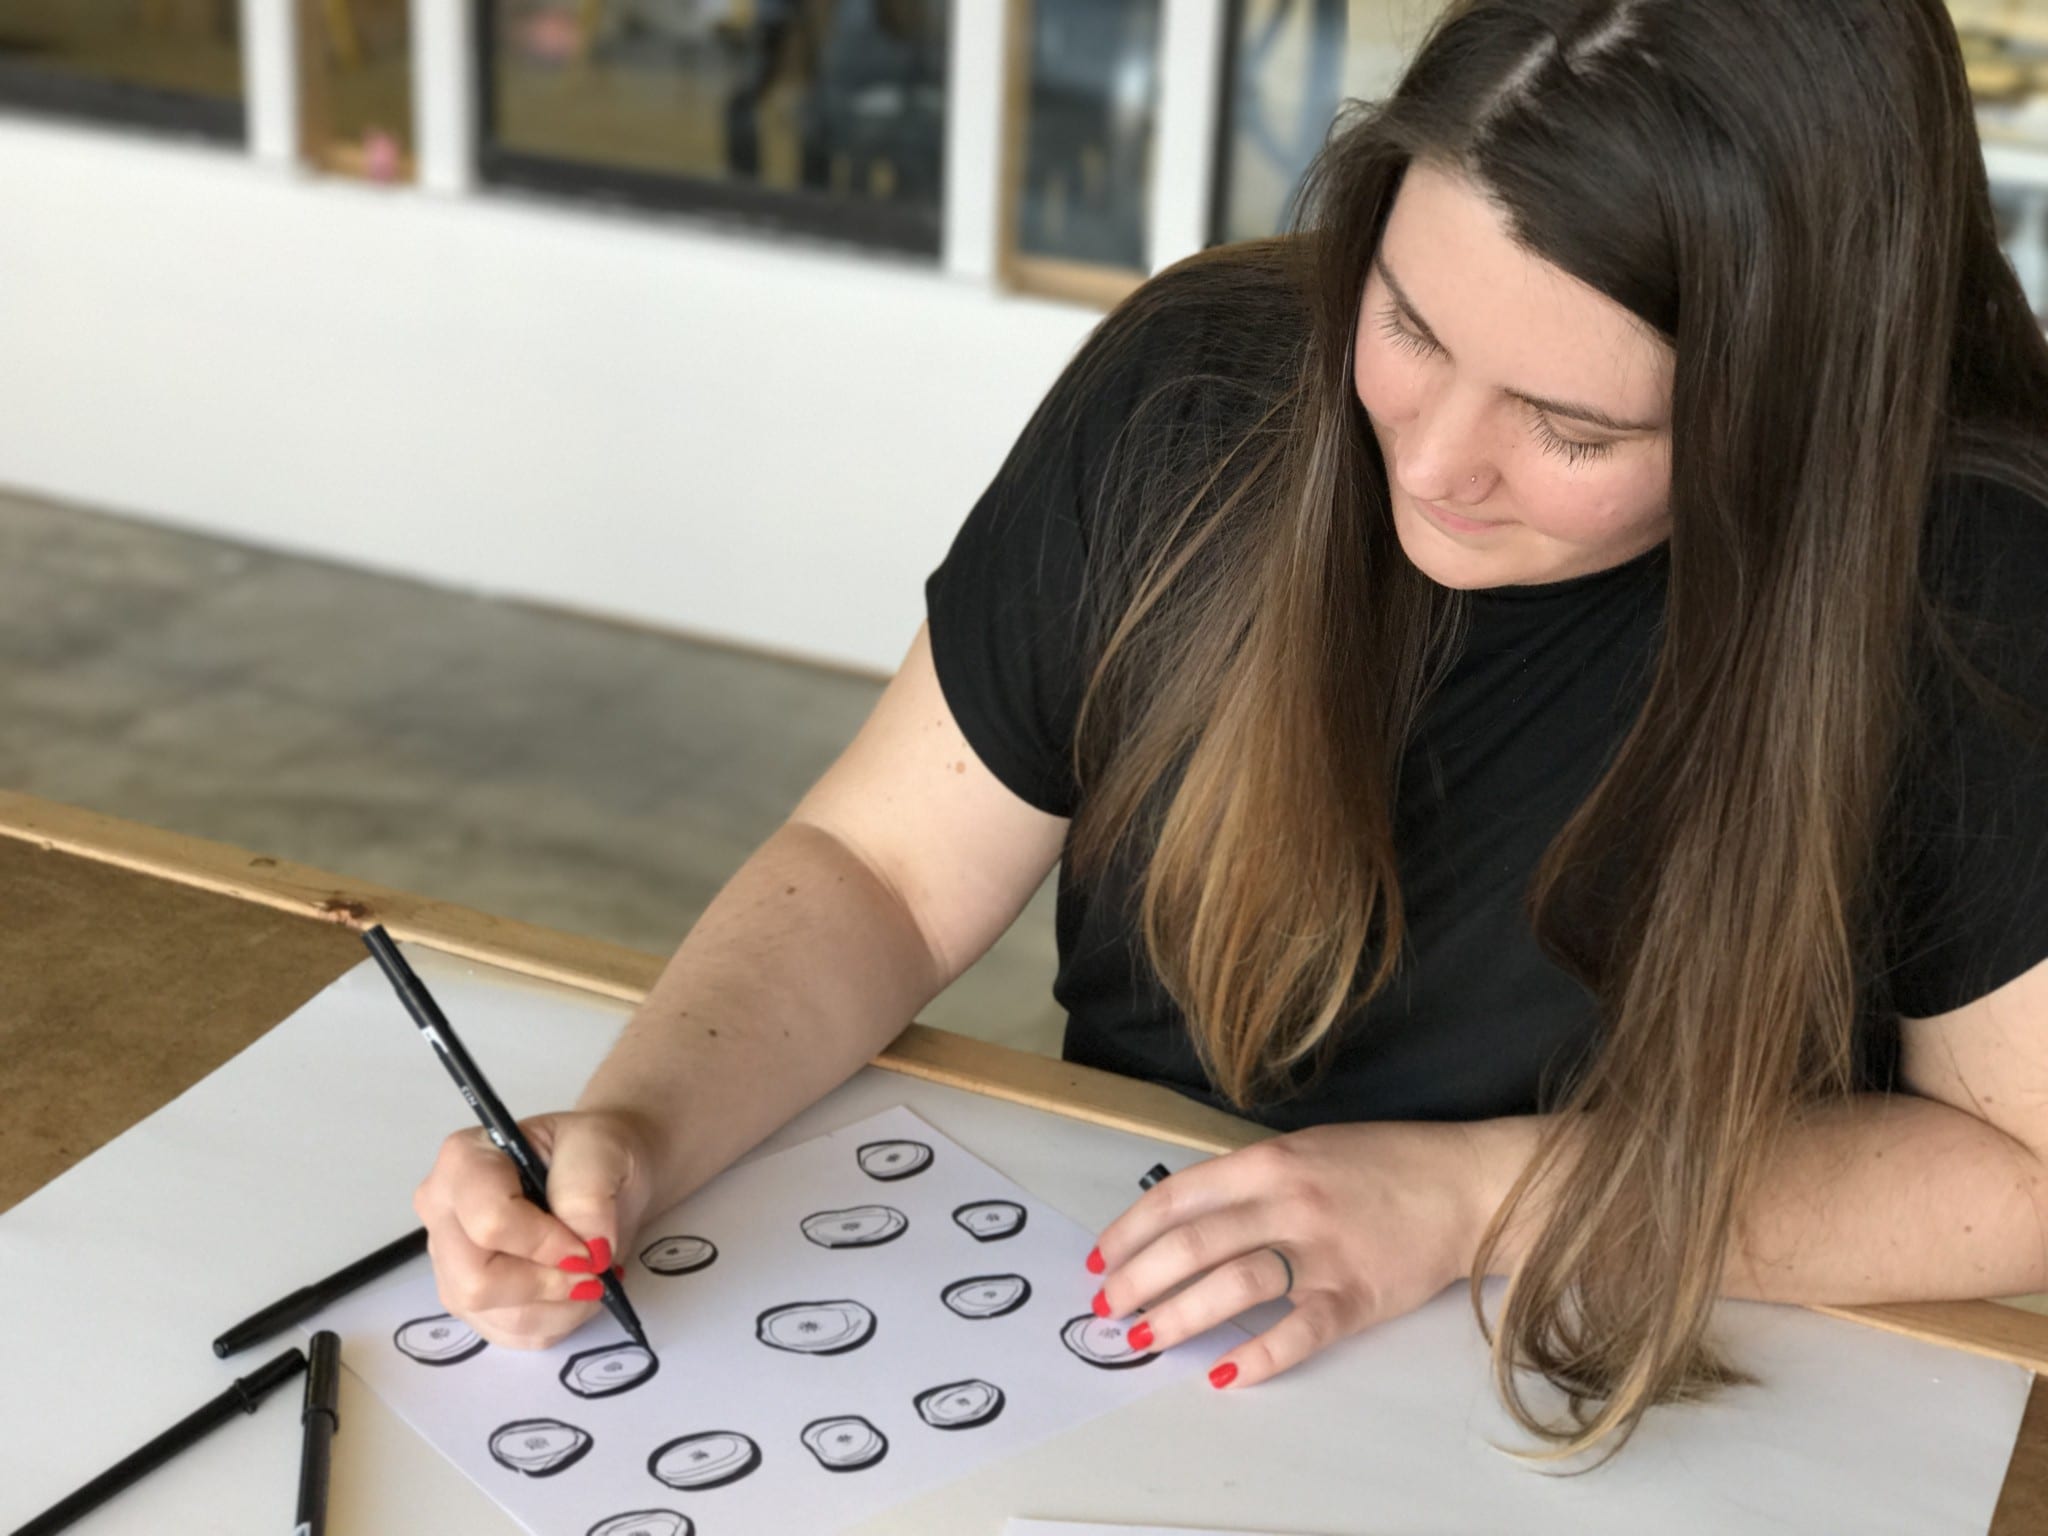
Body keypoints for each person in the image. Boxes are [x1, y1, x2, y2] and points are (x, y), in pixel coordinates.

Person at [412, 0, 2048, 1464]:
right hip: (1125, 1349)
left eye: (1570, 427)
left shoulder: (1973, 577)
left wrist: (1475, 1199)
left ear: (1800, 413)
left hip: (1638, 1395)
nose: (1436, 463)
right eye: (1410, 326)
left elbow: (2022, 1168)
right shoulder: (1199, 391)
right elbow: (889, 869)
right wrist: (641, 1127)